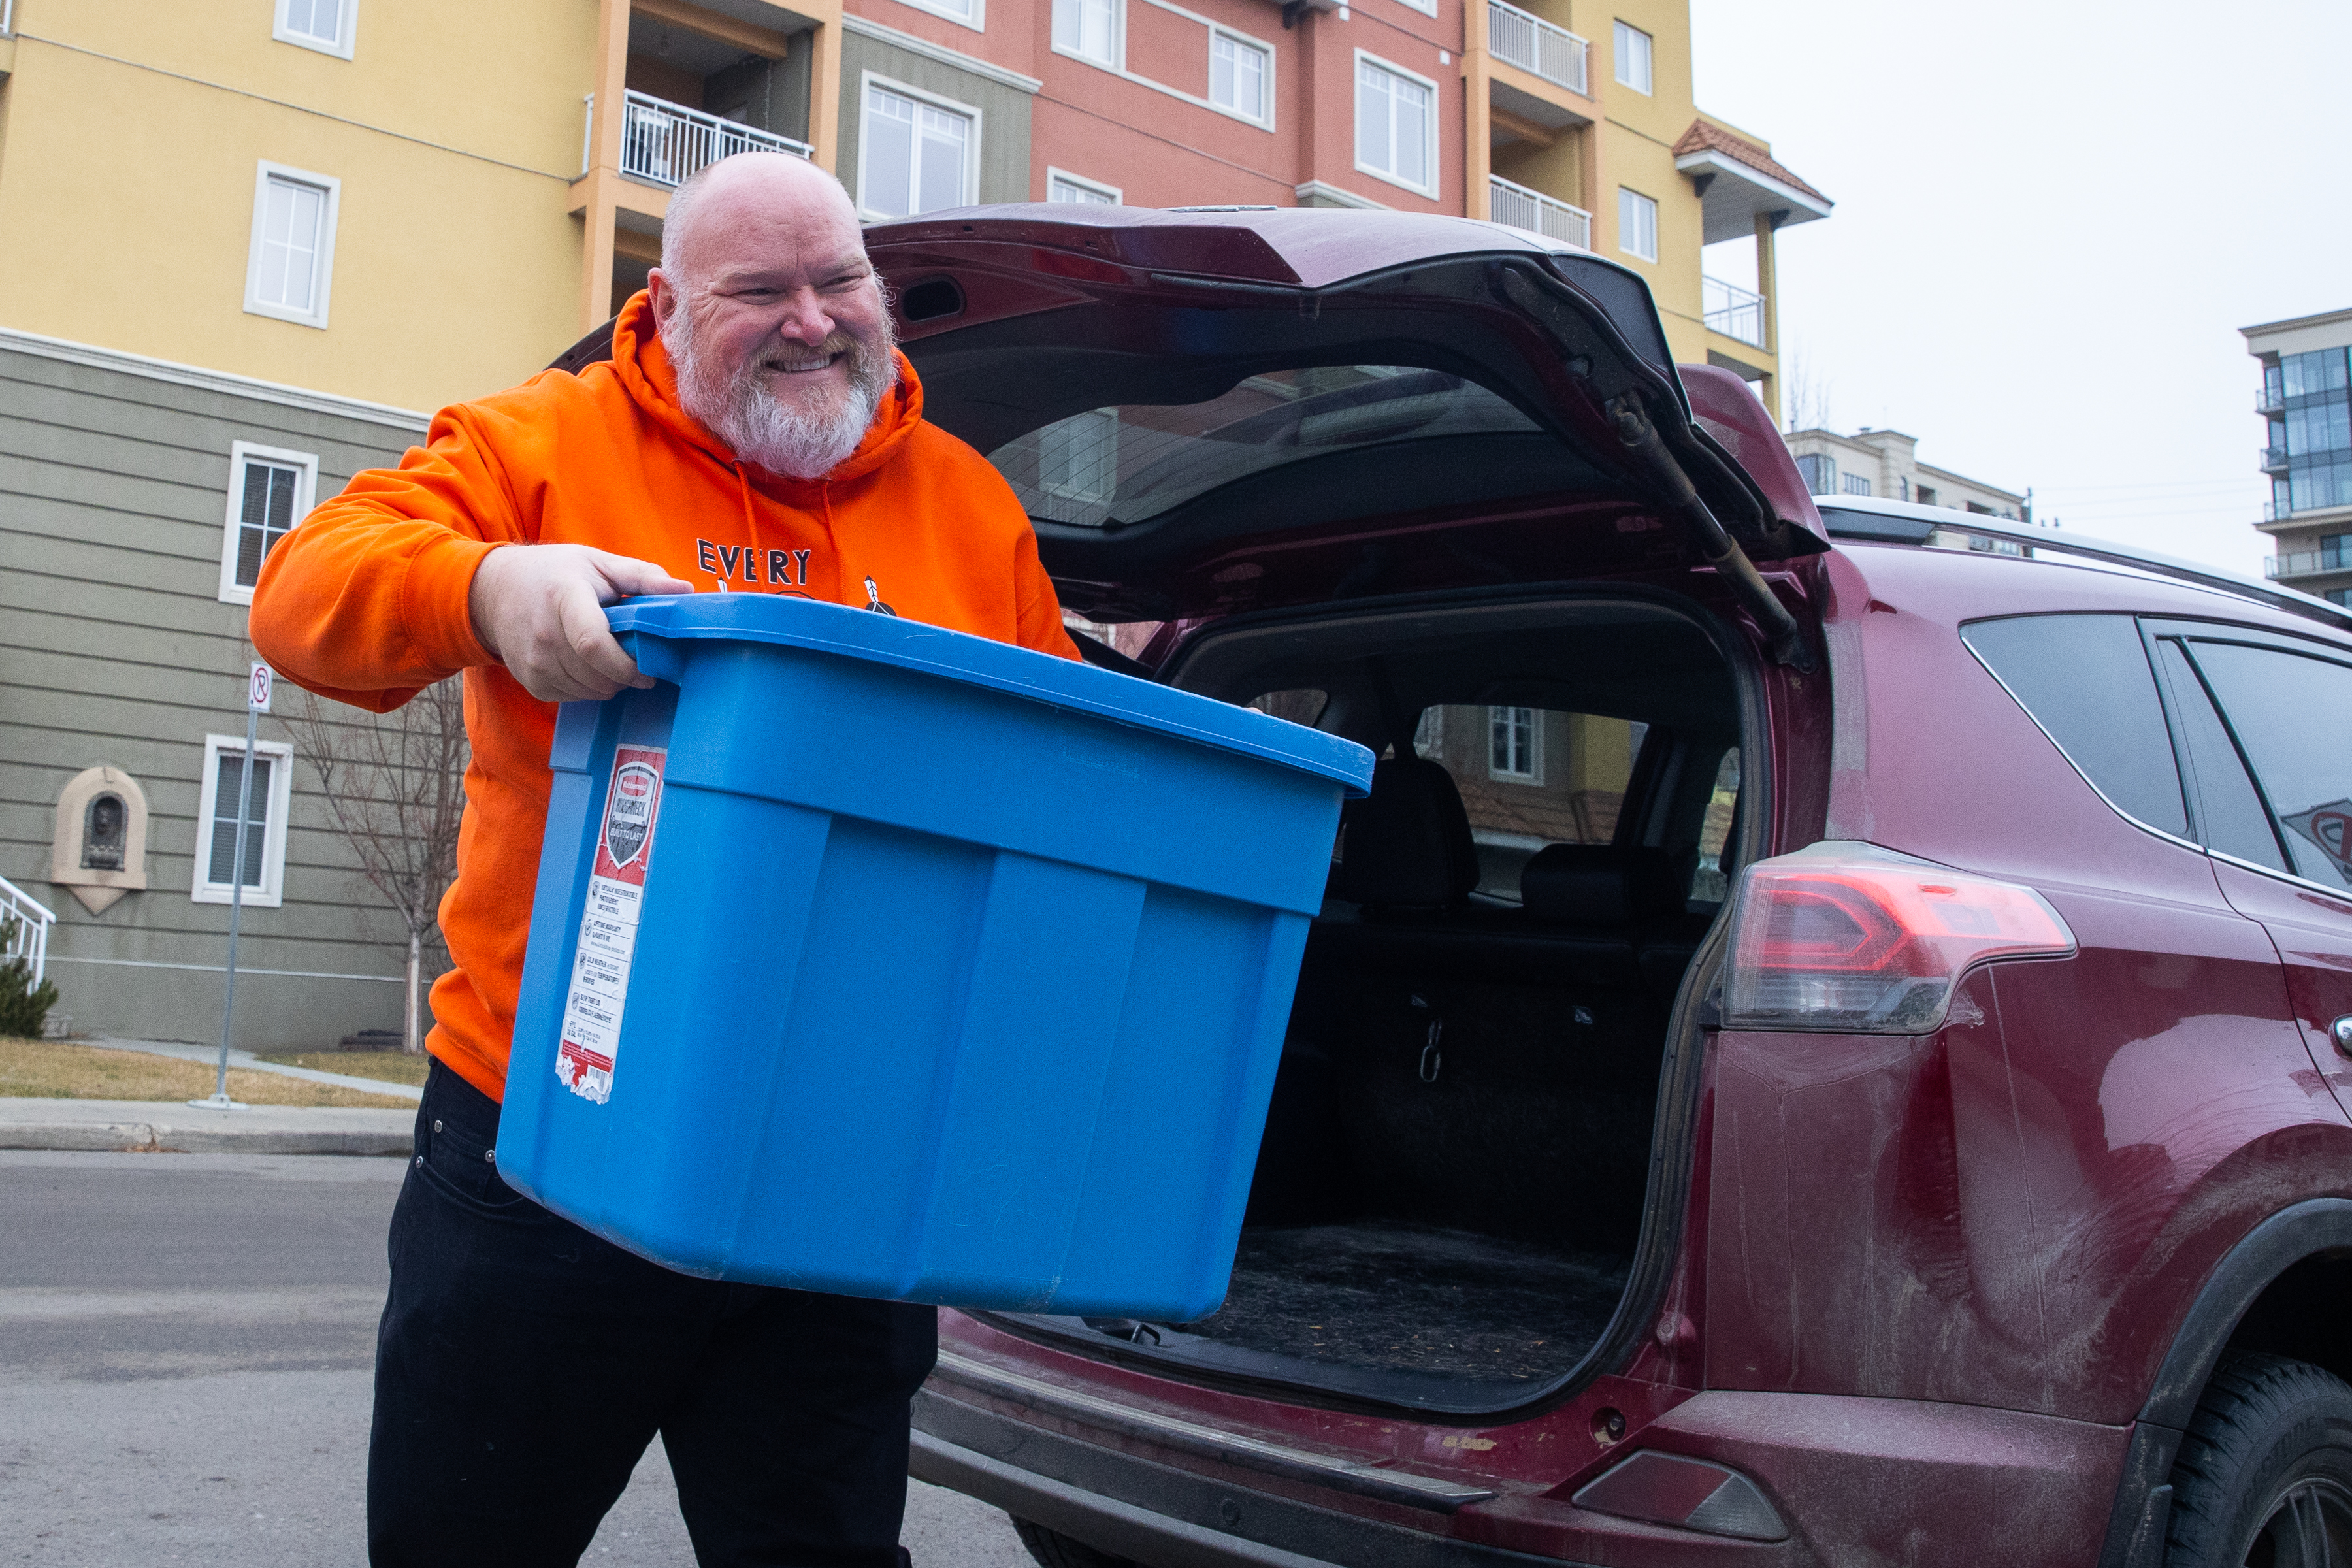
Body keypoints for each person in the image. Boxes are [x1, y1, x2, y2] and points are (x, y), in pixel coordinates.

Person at [250, 151, 1080, 1567]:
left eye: (841, 282)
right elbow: (306, 589)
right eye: (759, 291)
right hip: (549, 1140)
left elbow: (1058, 780)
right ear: (667, 307)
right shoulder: (543, 445)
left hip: (842, 1161)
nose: (814, 321)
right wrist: (487, 584)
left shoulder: (965, 504)